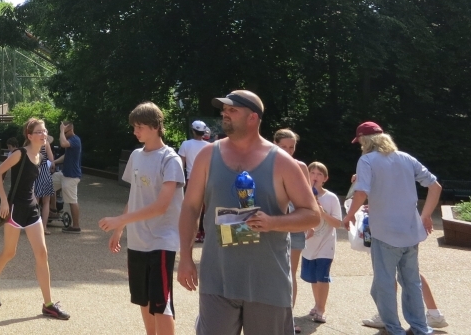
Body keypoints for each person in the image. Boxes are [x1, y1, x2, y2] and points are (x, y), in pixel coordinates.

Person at [177, 90, 319, 335]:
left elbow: (312, 214)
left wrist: (273, 222)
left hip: (267, 284)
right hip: (217, 280)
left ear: (253, 117)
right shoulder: (207, 156)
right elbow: (190, 208)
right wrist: (186, 258)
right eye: (224, 110)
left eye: (232, 110)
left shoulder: (282, 162)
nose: (225, 114)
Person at [343, 121, 442, 335]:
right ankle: (420, 327)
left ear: (365, 140)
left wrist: (349, 215)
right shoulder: (406, 158)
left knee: (384, 284)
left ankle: (394, 329)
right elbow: (435, 187)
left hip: (385, 233)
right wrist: (425, 216)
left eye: (359, 141)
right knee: (411, 283)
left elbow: (360, 192)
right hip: (410, 231)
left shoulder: (367, 160)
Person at [100, 102, 184, 335]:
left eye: (140, 126)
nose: (135, 132)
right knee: (144, 300)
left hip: (162, 240)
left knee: (161, 304)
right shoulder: (136, 156)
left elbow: (161, 206)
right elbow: (135, 195)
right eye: (134, 127)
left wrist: (119, 220)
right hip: (137, 241)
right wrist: (120, 228)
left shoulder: (171, 159)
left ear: (156, 126)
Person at [0, 117, 70, 320]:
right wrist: (3, 201)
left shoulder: (40, 155)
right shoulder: (20, 153)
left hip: (32, 210)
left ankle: (48, 304)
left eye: (45, 131)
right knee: (9, 253)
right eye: (39, 131)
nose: (43, 134)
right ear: (29, 135)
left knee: (42, 254)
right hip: (14, 210)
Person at [273, 127, 308, 326]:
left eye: (291, 147)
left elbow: (308, 200)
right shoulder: (267, 164)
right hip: (274, 225)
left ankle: (288, 318)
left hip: (295, 224)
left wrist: (309, 223)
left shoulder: (300, 166)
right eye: (283, 146)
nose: (287, 150)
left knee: (290, 272)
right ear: (275, 144)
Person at [301, 161, 342, 324]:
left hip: (326, 244)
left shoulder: (331, 198)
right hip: (308, 244)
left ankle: (321, 309)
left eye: (319, 174)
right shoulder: (302, 195)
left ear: (325, 178)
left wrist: (323, 212)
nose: (315, 177)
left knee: (322, 277)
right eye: (312, 173)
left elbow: (338, 224)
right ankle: (317, 304)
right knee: (312, 278)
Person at [179, 120, 211, 243]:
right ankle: (204, 232)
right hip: (206, 179)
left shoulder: (185, 144)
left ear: (193, 131)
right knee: (205, 207)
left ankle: (194, 233)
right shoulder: (208, 146)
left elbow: (181, 164)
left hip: (191, 179)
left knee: (192, 208)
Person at [58, 120, 82, 232]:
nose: (63, 135)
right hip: (64, 174)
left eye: (65, 132)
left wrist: (62, 130)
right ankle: (53, 210)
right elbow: (65, 156)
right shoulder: (70, 141)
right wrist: (53, 162)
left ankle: (76, 226)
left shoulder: (75, 140)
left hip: (71, 176)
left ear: (70, 130)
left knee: (72, 200)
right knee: (48, 185)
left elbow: (62, 144)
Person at [32, 133, 57, 234]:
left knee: (35, 201)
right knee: (46, 202)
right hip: (45, 173)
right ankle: (44, 227)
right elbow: (52, 160)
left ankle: (34, 226)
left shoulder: (31, 144)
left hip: (35, 172)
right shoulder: (46, 144)